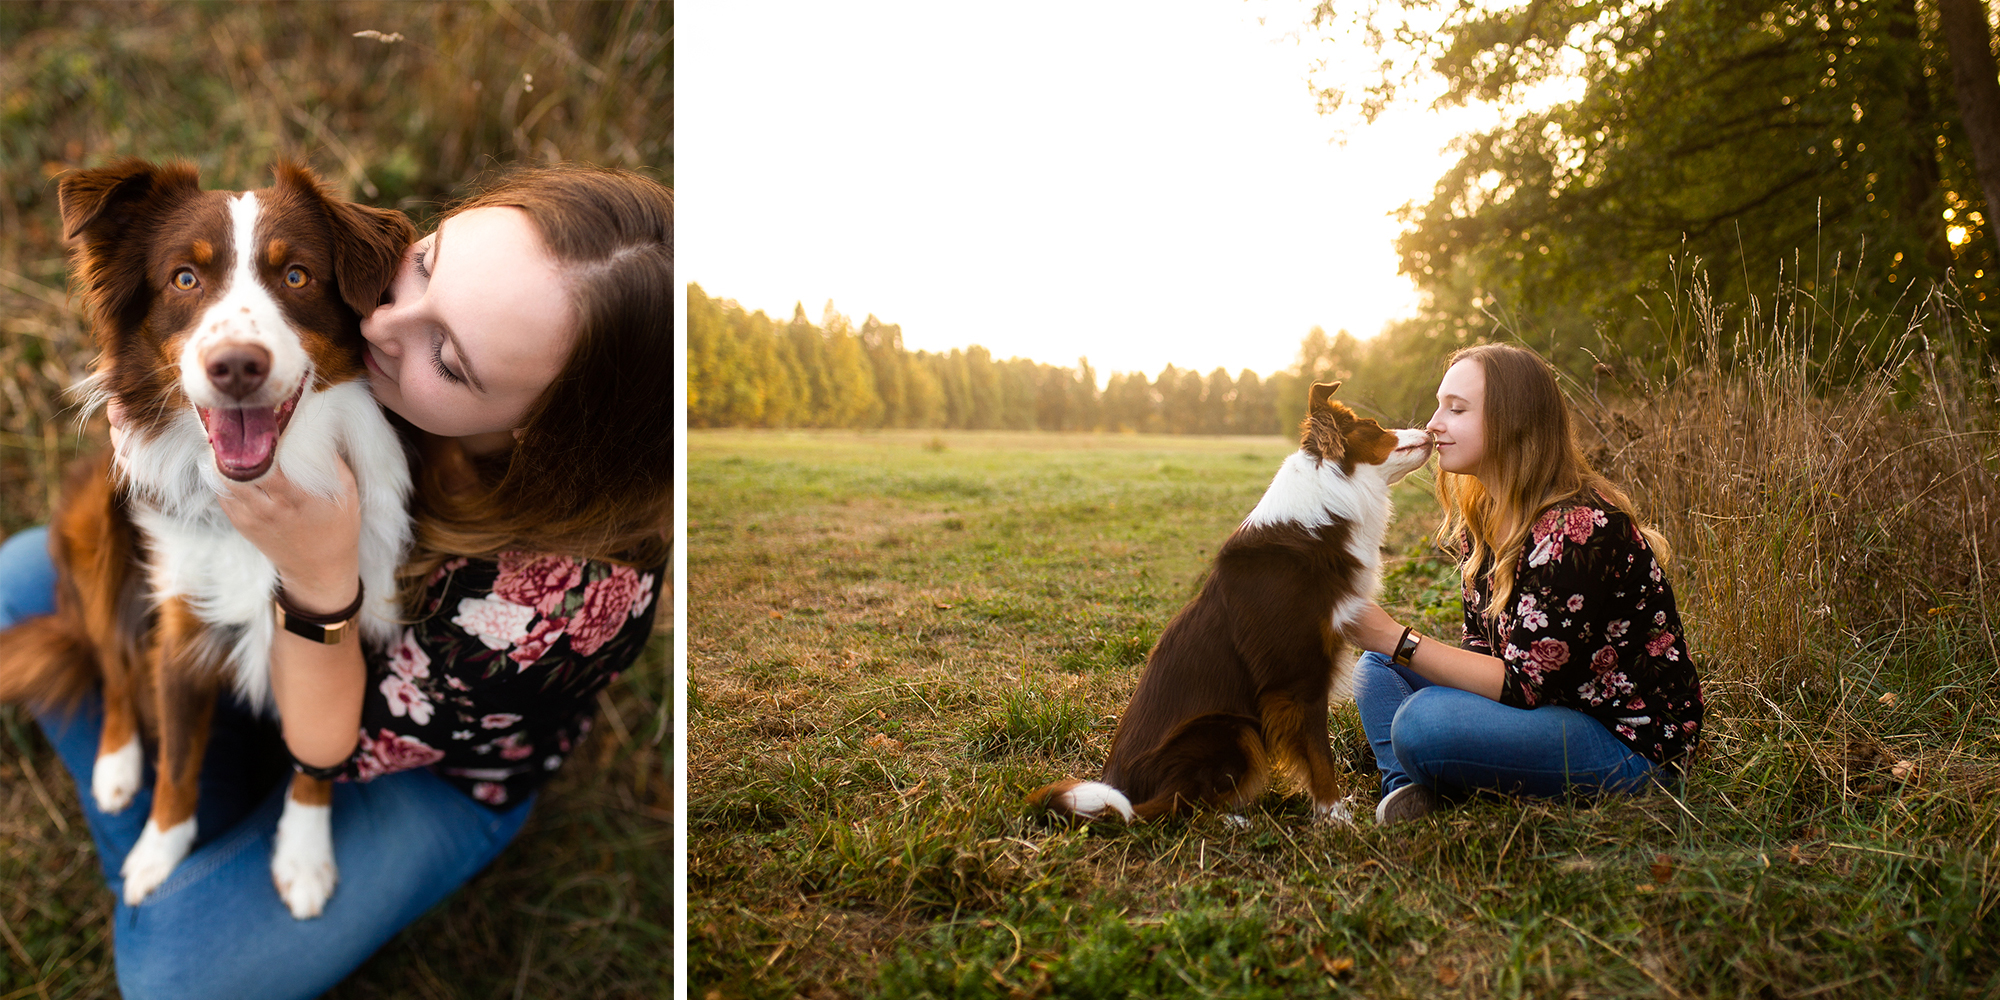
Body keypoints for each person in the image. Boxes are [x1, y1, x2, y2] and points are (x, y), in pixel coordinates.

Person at [0, 163, 673, 998]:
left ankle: (198, 866)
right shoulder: (367, 365)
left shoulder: (569, 605)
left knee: (174, 972)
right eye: (426, 266)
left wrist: (316, 574)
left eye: (451, 358)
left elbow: (336, 738)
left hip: (417, 759)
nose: (382, 325)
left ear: (538, 426)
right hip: (282, 665)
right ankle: (187, 819)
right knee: (23, 572)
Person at [1343, 343, 1703, 826]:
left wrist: (1396, 636)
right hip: (1546, 710)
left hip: (1624, 740)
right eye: (1438, 404)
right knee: (1376, 669)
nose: (1433, 423)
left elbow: (1524, 684)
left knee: (1420, 719)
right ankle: (1411, 788)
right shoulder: (1491, 513)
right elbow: (1485, 648)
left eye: (1457, 409)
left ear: (1511, 421)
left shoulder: (1580, 527)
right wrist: (1388, 648)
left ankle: (1440, 771)